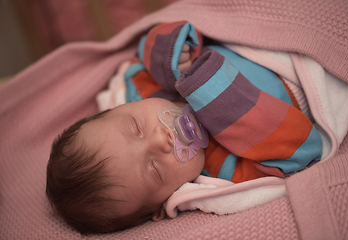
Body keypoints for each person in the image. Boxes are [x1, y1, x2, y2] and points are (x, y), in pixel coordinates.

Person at [46, 21, 323, 234]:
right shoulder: (224, 173)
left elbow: (152, 41)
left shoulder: (143, 86)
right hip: (300, 76)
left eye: (135, 126)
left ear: (118, 108)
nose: (159, 140)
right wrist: (210, 91)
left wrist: (173, 57)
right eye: (155, 168)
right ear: (161, 207)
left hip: (261, 34)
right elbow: (301, 150)